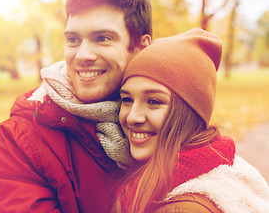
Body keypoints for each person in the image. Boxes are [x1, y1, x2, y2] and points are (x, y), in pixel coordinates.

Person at [0, 0, 152, 212]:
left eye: (102, 38)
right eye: (73, 39)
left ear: (141, 48)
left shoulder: (169, 113)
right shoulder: (21, 138)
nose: (82, 55)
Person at [115, 28, 269, 213]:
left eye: (154, 101)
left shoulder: (183, 208)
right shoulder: (213, 161)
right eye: (127, 99)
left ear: (191, 112)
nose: (133, 117)